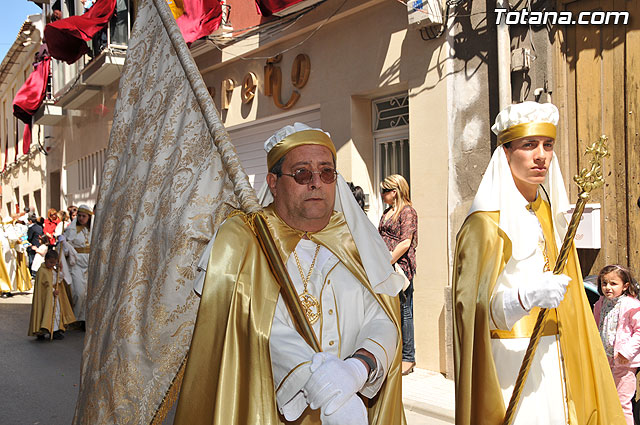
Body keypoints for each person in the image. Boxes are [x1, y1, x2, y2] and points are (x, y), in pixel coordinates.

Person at [175, 123, 406, 425]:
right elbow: (248, 320)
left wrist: (357, 369)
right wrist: (318, 381)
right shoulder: (245, 239)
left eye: (326, 173)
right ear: (273, 182)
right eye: (302, 174)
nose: (315, 183)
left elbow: (382, 317)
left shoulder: (355, 239)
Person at [452, 101, 625, 424]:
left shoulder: (550, 212)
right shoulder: (485, 224)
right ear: (506, 153)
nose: (541, 155)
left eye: (548, 145)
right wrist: (525, 297)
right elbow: (473, 312)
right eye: (529, 145)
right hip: (510, 364)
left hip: (558, 357)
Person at [378, 174, 418, 375]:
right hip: (386, 267)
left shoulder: (407, 212)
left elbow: (405, 242)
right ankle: (393, 352)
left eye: (385, 190)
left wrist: (388, 262)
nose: (382, 194)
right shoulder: (387, 212)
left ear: (395, 192)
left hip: (400, 268)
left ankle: (408, 358)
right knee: (388, 311)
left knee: (405, 311)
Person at [593, 264, 640, 425]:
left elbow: (639, 332)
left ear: (625, 286)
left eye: (613, 284)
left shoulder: (631, 305)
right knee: (607, 400)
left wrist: (626, 352)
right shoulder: (601, 303)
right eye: (604, 283)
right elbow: (595, 325)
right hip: (606, 359)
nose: (607, 287)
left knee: (622, 402)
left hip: (624, 362)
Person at [27, 249, 75, 340]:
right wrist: (52, 291)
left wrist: (60, 270)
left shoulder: (52, 269)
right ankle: (41, 331)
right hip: (46, 297)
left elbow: (58, 280)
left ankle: (55, 330)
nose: (52, 265)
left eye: (54, 263)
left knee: (55, 312)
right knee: (45, 311)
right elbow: (44, 286)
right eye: (50, 262)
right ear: (45, 259)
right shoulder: (42, 271)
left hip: (53, 297)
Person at [59, 204, 93, 325]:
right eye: (79, 216)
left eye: (84, 216)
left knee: (88, 292)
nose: (81, 218)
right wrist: (63, 243)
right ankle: (75, 317)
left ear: (89, 217)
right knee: (78, 292)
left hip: (90, 264)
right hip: (76, 264)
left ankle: (84, 318)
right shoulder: (71, 230)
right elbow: (63, 247)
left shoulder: (93, 229)